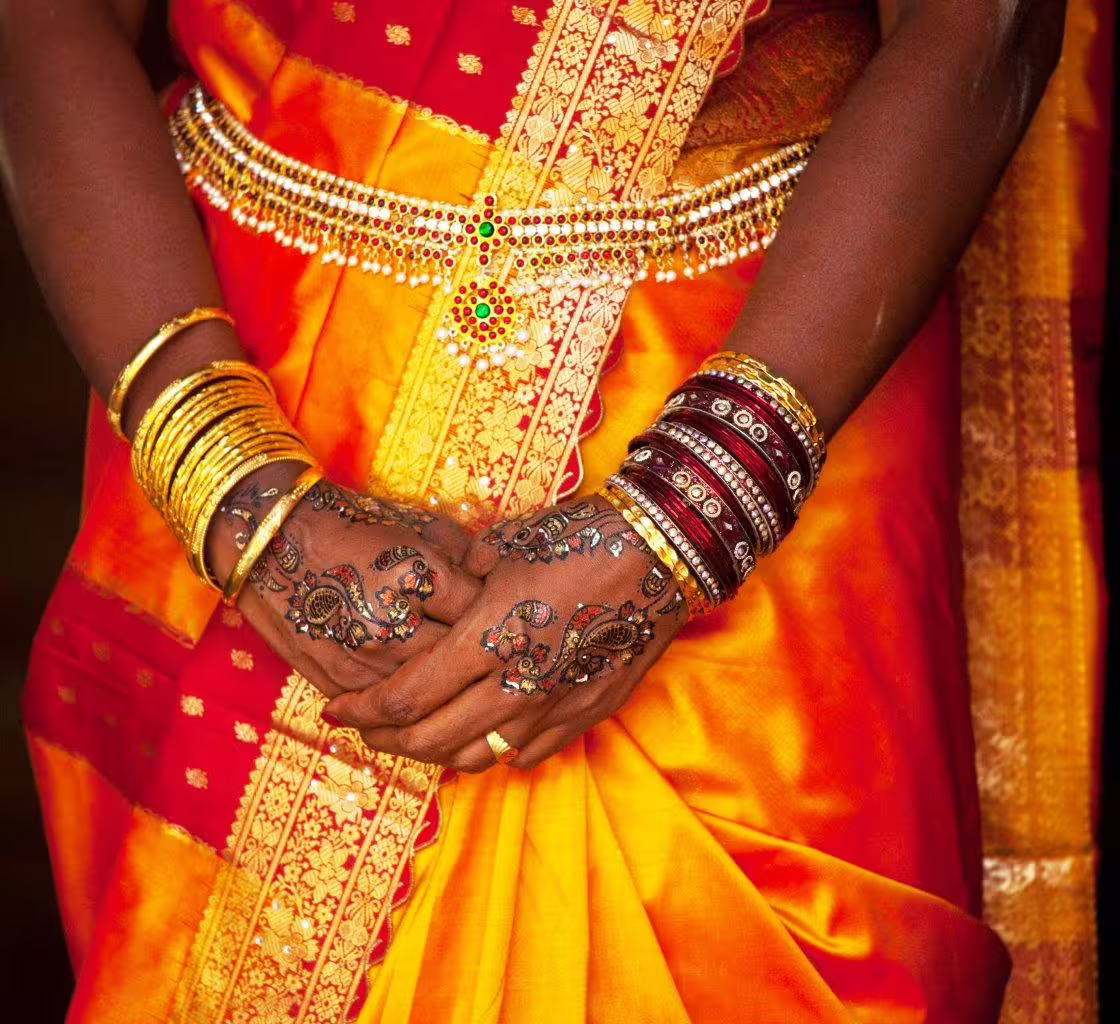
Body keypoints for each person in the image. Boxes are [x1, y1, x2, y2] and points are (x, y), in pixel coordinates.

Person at [0, 0, 1073, 1020]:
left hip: (769, 376)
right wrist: (229, 479)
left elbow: (980, 22)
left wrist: (692, 510)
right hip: (245, 370)